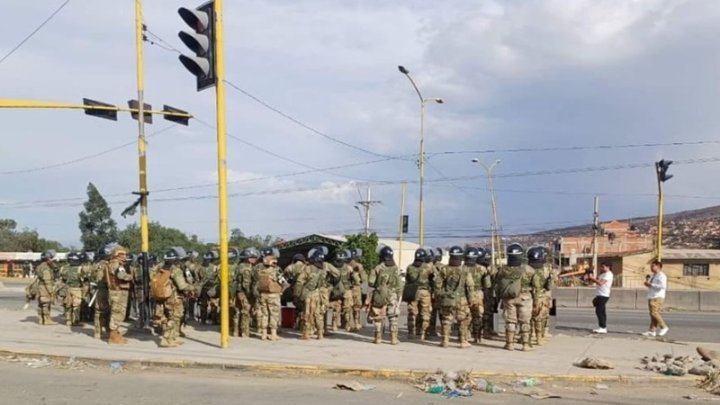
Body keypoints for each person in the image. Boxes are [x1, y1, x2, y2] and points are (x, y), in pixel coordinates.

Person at [495, 243, 541, 351]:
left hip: (509, 298)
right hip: (525, 298)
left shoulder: (503, 270)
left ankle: (509, 344)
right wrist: (536, 301)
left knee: (510, 321)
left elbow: (497, 284)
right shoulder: (529, 270)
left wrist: (499, 299)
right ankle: (525, 345)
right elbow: (536, 286)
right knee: (525, 321)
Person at [153, 247, 194, 347]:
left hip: (164, 296)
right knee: (174, 318)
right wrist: (192, 287)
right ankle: (166, 339)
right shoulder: (176, 270)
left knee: (169, 317)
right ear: (176, 259)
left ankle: (172, 338)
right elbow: (182, 286)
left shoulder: (161, 267)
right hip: (174, 298)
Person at [436, 246, 474, 349]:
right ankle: (463, 341)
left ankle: (445, 340)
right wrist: (471, 299)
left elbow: (438, 285)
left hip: (447, 299)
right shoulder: (465, 270)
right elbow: (470, 286)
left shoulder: (444, 269)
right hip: (462, 300)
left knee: (446, 320)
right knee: (463, 320)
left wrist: (440, 297)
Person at [367, 246, 403, 345]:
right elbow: (400, 284)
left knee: (378, 316)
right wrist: (399, 295)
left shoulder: (377, 268)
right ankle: (393, 338)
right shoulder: (396, 268)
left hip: (379, 294)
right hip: (392, 295)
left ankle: (378, 338)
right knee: (393, 317)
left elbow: (370, 282)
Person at [252, 247, 285, 341]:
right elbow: (283, 281)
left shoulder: (258, 268)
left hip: (262, 294)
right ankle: (273, 334)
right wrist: (281, 290)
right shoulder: (276, 269)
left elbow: (255, 279)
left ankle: (263, 334)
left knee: (264, 314)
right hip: (273, 295)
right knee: (274, 314)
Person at [403, 247, 434, 340]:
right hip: (425, 292)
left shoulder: (409, 267)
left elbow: (407, 279)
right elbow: (432, 278)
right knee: (425, 313)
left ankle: (411, 333)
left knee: (412, 313)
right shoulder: (428, 267)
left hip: (413, 292)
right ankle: (423, 333)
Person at [104, 245, 132, 344]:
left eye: (125, 254)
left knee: (118, 313)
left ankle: (116, 334)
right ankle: (113, 337)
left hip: (116, 292)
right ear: (116, 255)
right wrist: (131, 277)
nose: (124, 256)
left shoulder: (112, 264)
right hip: (118, 292)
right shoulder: (116, 265)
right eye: (122, 254)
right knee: (117, 314)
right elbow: (122, 276)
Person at [59, 252, 87, 326]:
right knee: (76, 305)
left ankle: (68, 320)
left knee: (67, 305)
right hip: (76, 289)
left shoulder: (63, 268)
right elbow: (85, 278)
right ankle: (75, 321)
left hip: (66, 289)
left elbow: (61, 278)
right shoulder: (80, 268)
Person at [643, 260, 669, 337]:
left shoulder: (662, 276)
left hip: (658, 296)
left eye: (653, 266)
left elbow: (663, 286)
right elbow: (651, 285)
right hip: (651, 295)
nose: (651, 267)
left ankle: (664, 326)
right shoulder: (653, 275)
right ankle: (652, 330)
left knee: (654, 312)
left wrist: (651, 284)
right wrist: (647, 284)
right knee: (652, 314)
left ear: (658, 266)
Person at [587, 262, 613, 334]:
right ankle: (603, 327)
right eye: (601, 267)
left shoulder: (609, 274)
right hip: (599, 294)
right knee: (602, 311)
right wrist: (590, 274)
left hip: (604, 295)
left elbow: (600, 283)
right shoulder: (603, 274)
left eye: (603, 267)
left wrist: (592, 278)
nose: (602, 268)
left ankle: (602, 327)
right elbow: (596, 280)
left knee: (599, 311)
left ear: (608, 267)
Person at [35, 250, 58, 325]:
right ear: (48, 258)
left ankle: (41, 319)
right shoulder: (46, 268)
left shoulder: (39, 266)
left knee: (40, 304)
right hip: (45, 288)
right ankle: (47, 320)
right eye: (51, 258)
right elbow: (47, 280)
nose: (52, 259)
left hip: (40, 287)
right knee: (46, 304)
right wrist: (51, 291)